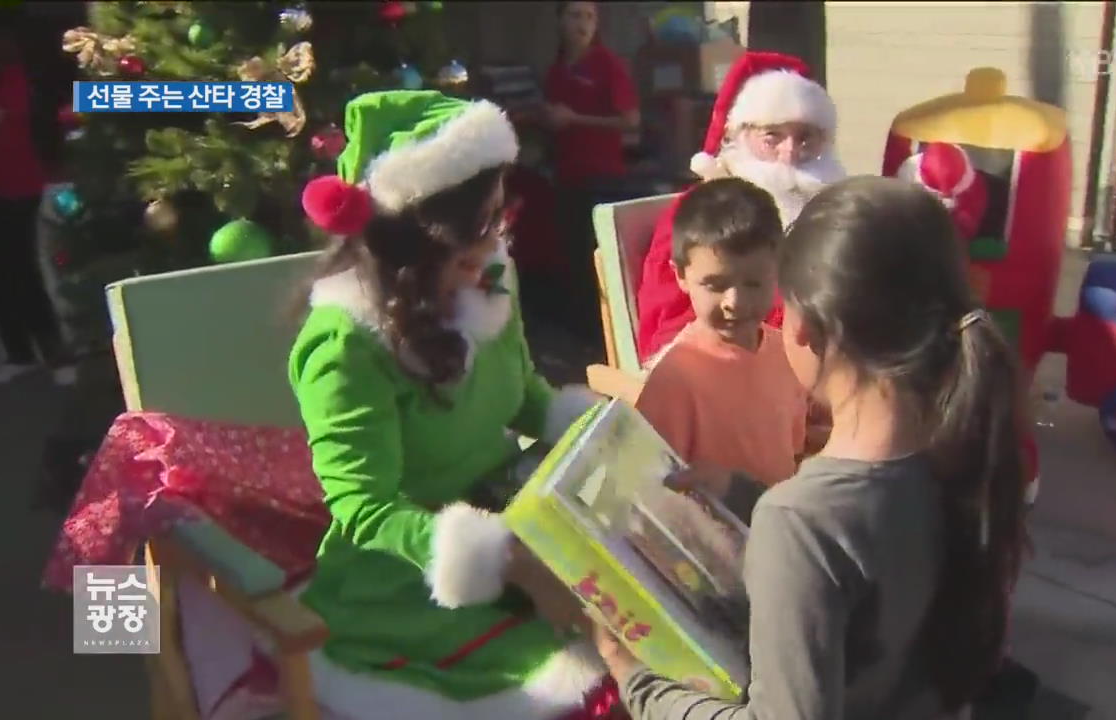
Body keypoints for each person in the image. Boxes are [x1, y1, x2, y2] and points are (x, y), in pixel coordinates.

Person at [591, 176, 1032, 719]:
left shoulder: (801, 522)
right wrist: (744, 491)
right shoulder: (964, 450)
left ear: (803, 328)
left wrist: (642, 684)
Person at [291, 89, 618, 720]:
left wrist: (610, 448)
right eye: (472, 231)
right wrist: (506, 563)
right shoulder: (345, 345)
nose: (490, 243)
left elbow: (526, 398)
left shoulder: (490, 278)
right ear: (408, 243)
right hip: (407, 578)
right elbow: (366, 509)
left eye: (498, 217)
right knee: (594, 685)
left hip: (514, 518)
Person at [635, 51, 848, 365]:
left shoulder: (835, 210)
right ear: (739, 137)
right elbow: (667, 331)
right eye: (771, 137)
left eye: (806, 138)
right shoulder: (702, 214)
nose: (789, 153)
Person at [635, 178, 808, 488]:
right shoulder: (676, 377)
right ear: (681, 276)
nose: (735, 302)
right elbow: (647, 482)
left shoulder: (787, 353)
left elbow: (793, 450)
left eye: (754, 283)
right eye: (715, 285)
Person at [0, 8, 72, 385]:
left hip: (16, 186)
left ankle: (55, 353)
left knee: (22, 271)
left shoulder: (9, 78)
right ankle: (18, 353)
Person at [543, 0, 642, 348]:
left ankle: (610, 338)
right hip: (567, 175)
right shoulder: (556, 70)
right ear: (560, 21)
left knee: (600, 258)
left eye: (589, 17)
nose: (583, 24)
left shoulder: (607, 65)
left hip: (603, 178)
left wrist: (575, 119)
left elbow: (631, 120)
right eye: (575, 16)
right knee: (573, 256)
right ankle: (582, 336)